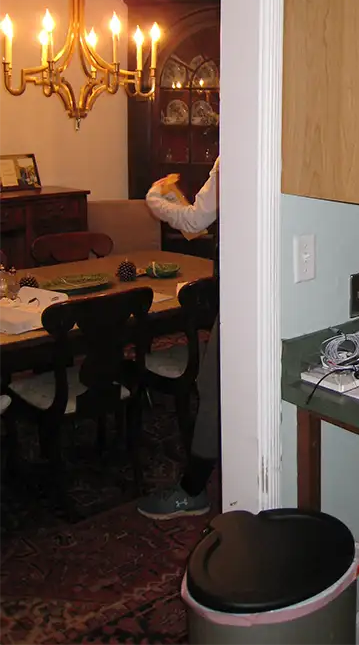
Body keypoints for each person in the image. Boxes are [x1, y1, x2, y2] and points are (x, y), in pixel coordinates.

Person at [137, 158, 219, 520]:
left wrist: (155, 197)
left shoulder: (233, 149)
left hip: (244, 288)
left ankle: (193, 489)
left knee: (214, 386)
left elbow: (194, 222)